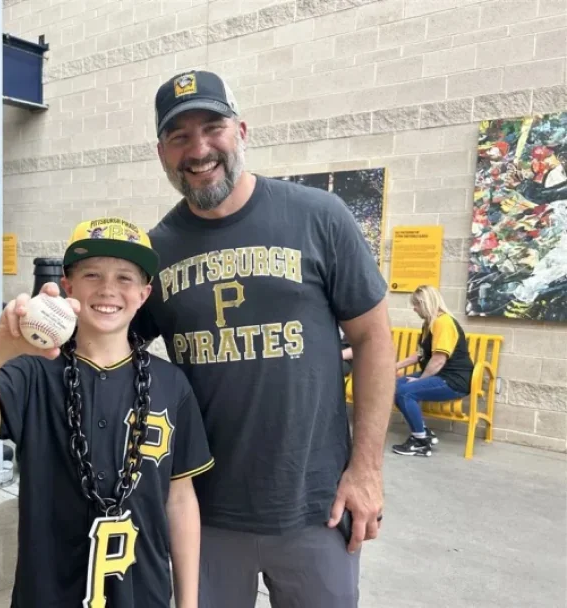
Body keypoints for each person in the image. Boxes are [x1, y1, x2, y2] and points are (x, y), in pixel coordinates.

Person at [130, 69, 396, 607]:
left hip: (316, 504)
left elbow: (372, 338)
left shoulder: (318, 217)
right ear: (161, 152)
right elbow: (109, 349)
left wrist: (366, 471)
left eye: (213, 127)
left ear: (242, 131)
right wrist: (61, 308)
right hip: (201, 508)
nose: (198, 149)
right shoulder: (153, 252)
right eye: (180, 136)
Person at [0, 218, 214, 608]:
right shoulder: (32, 372)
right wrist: (0, 345)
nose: (108, 289)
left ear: (145, 293)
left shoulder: (171, 384)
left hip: (142, 592)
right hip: (47, 591)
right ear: (69, 288)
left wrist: (189, 602)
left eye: (125, 278)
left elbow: (180, 500)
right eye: (92, 274)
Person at [392, 285, 474, 457]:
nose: (413, 308)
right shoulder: (429, 324)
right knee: (394, 387)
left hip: (453, 380)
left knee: (405, 393)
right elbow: (421, 354)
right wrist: (397, 366)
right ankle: (423, 432)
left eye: (416, 304)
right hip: (439, 375)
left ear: (425, 303)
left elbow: (438, 360)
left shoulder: (443, 323)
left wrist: (420, 380)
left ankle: (420, 442)